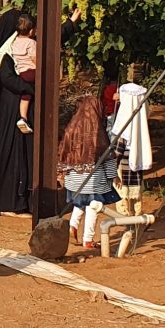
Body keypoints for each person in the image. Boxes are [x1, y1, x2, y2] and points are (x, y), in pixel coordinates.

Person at [0, 15, 36, 216]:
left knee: (25, 155)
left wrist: (70, 23)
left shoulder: (20, 47)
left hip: (21, 108)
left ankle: (22, 200)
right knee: (12, 155)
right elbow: (7, 79)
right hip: (10, 110)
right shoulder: (5, 54)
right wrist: (31, 89)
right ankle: (10, 202)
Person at [59, 94, 119, 255]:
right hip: (93, 179)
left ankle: (72, 225)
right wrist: (113, 175)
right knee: (93, 207)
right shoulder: (98, 132)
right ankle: (88, 239)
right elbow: (107, 156)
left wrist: (61, 172)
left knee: (79, 203)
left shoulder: (71, 128)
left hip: (74, 177)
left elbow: (62, 151)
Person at [9, 21, 38, 134]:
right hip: (32, 71)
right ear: (31, 31)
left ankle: (23, 118)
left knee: (25, 96)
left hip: (21, 73)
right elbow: (35, 58)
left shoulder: (14, 42)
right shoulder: (31, 43)